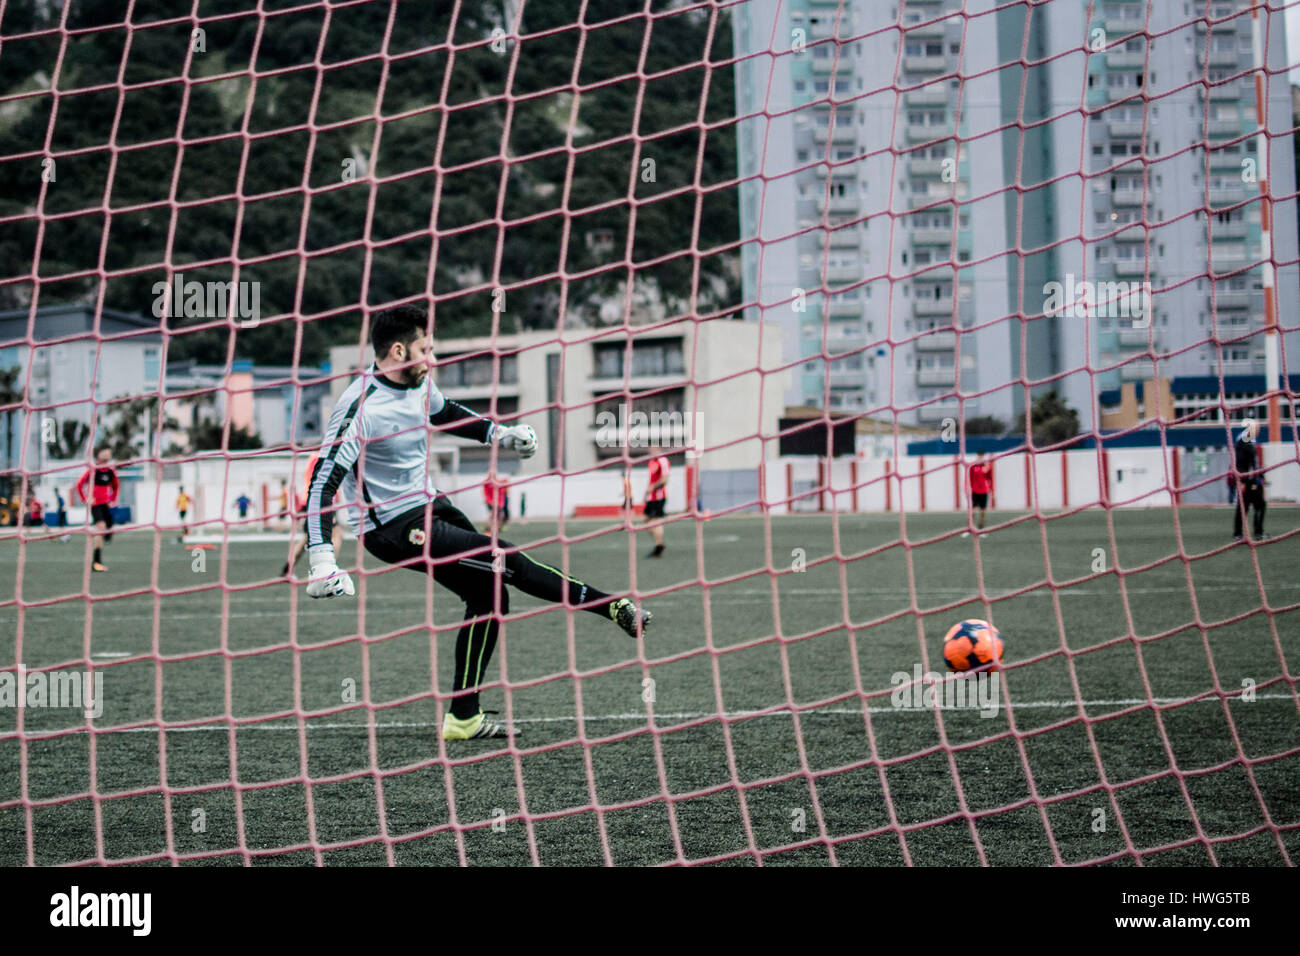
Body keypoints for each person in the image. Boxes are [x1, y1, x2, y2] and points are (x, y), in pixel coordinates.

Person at [302, 304, 651, 741]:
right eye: (425, 349)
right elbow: (322, 482)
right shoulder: (360, 407)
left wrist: (499, 433)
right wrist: (321, 559)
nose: (431, 359)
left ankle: (463, 717)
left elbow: (446, 412)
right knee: (502, 558)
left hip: (429, 504)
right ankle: (611, 607)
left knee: (491, 595)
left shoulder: (418, 384)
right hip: (391, 530)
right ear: (397, 351)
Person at [283, 450, 346, 578]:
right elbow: (325, 479)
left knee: (307, 538)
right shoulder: (322, 457)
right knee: (337, 534)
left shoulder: (313, 457)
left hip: (313, 502)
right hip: (320, 502)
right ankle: (329, 569)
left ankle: (287, 570)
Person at [75, 446, 119, 572]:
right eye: (104, 451)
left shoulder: (110, 471)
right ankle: (96, 562)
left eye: (108, 452)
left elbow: (116, 487)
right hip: (96, 505)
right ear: (99, 454)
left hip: (106, 505)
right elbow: (79, 485)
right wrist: (85, 499)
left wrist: (113, 501)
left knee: (107, 529)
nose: (107, 454)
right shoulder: (93, 470)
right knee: (100, 528)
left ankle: (105, 535)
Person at [1231, 420, 1266, 541]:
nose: (1258, 431)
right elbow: (1242, 463)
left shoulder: (1247, 441)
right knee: (1254, 506)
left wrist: (1261, 477)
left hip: (1250, 479)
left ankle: (1240, 533)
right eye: (1257, 429)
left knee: (1250, 506)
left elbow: (1253, 463)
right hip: (1248, 481)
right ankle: (1253, 533)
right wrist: (1242, 482)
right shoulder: (1244, 442)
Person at [642, 445, 669, 557]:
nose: (651, 451)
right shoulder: (651, 462)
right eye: (650, 449)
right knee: (646, 520)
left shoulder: (662, 461)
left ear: (658, 449)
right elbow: (651, 479)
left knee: (655, 521)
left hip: (659, 497)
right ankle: (660, 544)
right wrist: (647, 493)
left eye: (653, 449)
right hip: (651, 497)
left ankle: (658, 546)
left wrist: (653, 488)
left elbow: (665, 479)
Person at [962, 450, 993, 538]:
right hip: (975, 491)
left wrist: (992, 490)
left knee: (983, 512)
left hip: (984, 491)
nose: (980, 457)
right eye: (979, 456)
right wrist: (967, 489)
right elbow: (970, 479)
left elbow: (990, 479)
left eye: (982, 456)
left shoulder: (987, 467)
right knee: (973, 511)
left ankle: (981, 530)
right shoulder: (973, 467)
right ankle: (969, 529)